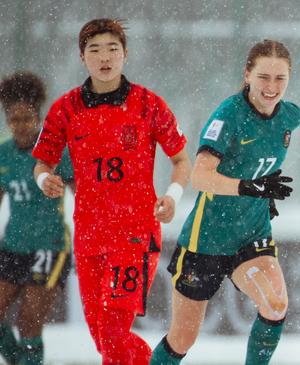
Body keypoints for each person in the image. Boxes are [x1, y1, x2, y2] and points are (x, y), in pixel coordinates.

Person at [32, 19, 190, 364]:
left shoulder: (148, 105)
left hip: (134, 236)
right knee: (104, 339)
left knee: (115, 334)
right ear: (82, 57)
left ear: (125, 55)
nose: (105, 58)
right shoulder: (66, 109)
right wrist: (45, 180)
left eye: (112, 49)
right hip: (89, 236)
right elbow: (42, 163)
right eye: (95, 50)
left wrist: (173, 196)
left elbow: (181, 159)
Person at [149, 39, 300, 365]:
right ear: (247, 75)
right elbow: (201, 177)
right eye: (263, 77)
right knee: (182, 339)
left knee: (275, 306)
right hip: (207, 238)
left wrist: (265, 192)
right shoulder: (228, 115)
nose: (271, 87)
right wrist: (249, 186)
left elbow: (263, 157)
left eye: (280, 79)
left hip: (252, 233)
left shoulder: (290, 117)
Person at [0, 71, 73, 365]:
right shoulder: (3, 154)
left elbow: (81, 192)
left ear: (38, 116)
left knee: (29, 321)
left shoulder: (56, 150)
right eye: (13, 120)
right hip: (13, 244)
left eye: (26, 119)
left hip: (50, 246)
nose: (20, 126)